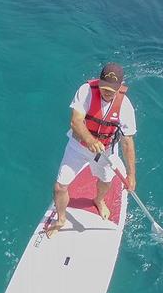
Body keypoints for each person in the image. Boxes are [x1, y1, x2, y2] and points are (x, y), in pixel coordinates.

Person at [46, 62, 137, 237]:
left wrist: (131, 175)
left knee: (105, 181)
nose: (106, 92)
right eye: (104, 87)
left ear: (120, 88)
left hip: (105, 151)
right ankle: (61, 219)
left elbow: (127, 142)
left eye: (111, 90)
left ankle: (99, 200)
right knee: (59, 187)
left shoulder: (125, 106)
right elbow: (76, 121)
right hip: (77, 147)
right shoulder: (86, 91)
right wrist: (89, 139)